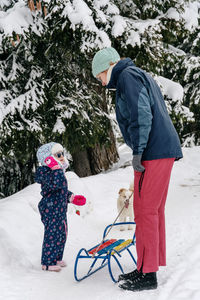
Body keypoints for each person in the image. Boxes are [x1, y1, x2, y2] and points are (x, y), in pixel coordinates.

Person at [92, 47, 183, 291]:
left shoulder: (127, 77)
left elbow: (142, 115)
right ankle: (148, 265)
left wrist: (138, 151)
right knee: (152, 210)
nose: (101, 83)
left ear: (108, 67)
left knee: (144, 210)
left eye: (99, 76)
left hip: (153, 151)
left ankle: (147, 274)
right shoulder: (135, 73)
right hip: (162, 148)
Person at [35, 142, 86, 272]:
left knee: (62, 233)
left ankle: (56, 258)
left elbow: (60, 191)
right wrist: (56, 168)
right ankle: (47, 263)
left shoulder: (56, 171)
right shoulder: (45, 172)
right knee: (52, 235)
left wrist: (72, 197)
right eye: (58, 155)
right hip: (50, 208)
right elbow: (56, 185)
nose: (62, 156)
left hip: (59, 208)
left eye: (62, 154)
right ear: (48, 158)